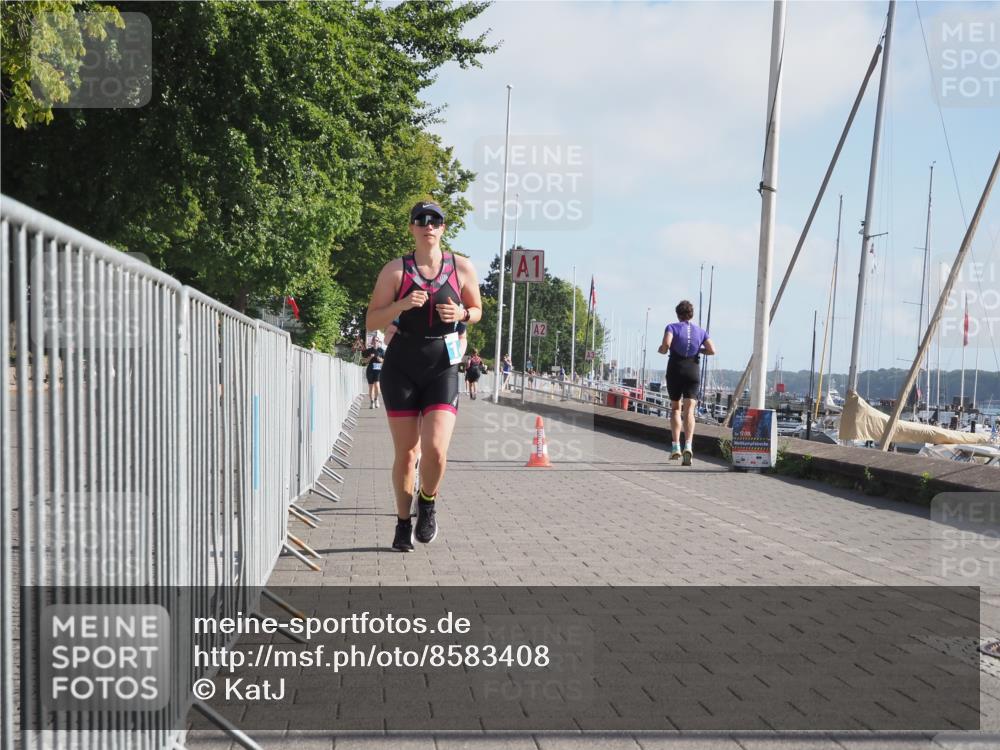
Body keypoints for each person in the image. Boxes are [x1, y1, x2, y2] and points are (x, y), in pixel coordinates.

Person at [366, 201, 482, 552]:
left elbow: (477, 310)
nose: (428, 225)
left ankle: (428, 502)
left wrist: (462, 313)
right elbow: (372, 320)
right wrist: (400, 306)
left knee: (435, 450)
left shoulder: (461, 267)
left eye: (435, 220)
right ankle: (403, 523)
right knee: (406, 454)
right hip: (401, 366)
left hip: (442, 366)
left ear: (443, 228)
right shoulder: (395, 271)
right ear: (412, 227)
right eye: (421, 219)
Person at [657, 299, 716, 466]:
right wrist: (699, 350)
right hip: (693, 370)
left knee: (676, 408)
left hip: (675, 369)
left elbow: (666, 345)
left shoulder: (672, 327)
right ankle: (688, 445)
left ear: (678, 314)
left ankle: (676, 446)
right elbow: (712, 350)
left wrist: (662, 349)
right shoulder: (701, 331)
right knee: (689, 411)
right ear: (691, 315)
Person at [362, 333, 386, 408]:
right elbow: (363, 361)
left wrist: (380, 359)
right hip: (370, 370)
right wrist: (370, 358)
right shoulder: (369, 350)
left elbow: (385, 361)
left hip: (378, 371)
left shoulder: (381, 351)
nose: (376, 341)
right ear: (372, 342)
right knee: (371, 387)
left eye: (377, 340)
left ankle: (376, 399)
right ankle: (372, 402)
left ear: (379, 342)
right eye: (374, 340)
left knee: (377, 387)